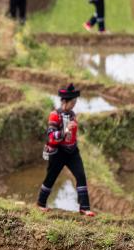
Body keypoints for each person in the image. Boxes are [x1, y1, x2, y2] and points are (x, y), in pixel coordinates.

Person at [37, 84, 95, 216]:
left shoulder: (72, 114)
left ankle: (84, 208)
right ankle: (41, 203)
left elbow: (72, 134)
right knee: (51, 177)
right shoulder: (54, 115)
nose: (74, 105)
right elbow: (51, 136)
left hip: (72, 151)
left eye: (75, 102)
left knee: (81, 175)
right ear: (64, 101)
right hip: (58, 152)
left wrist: (71, 135)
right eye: (72, 103)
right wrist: (66, 130)